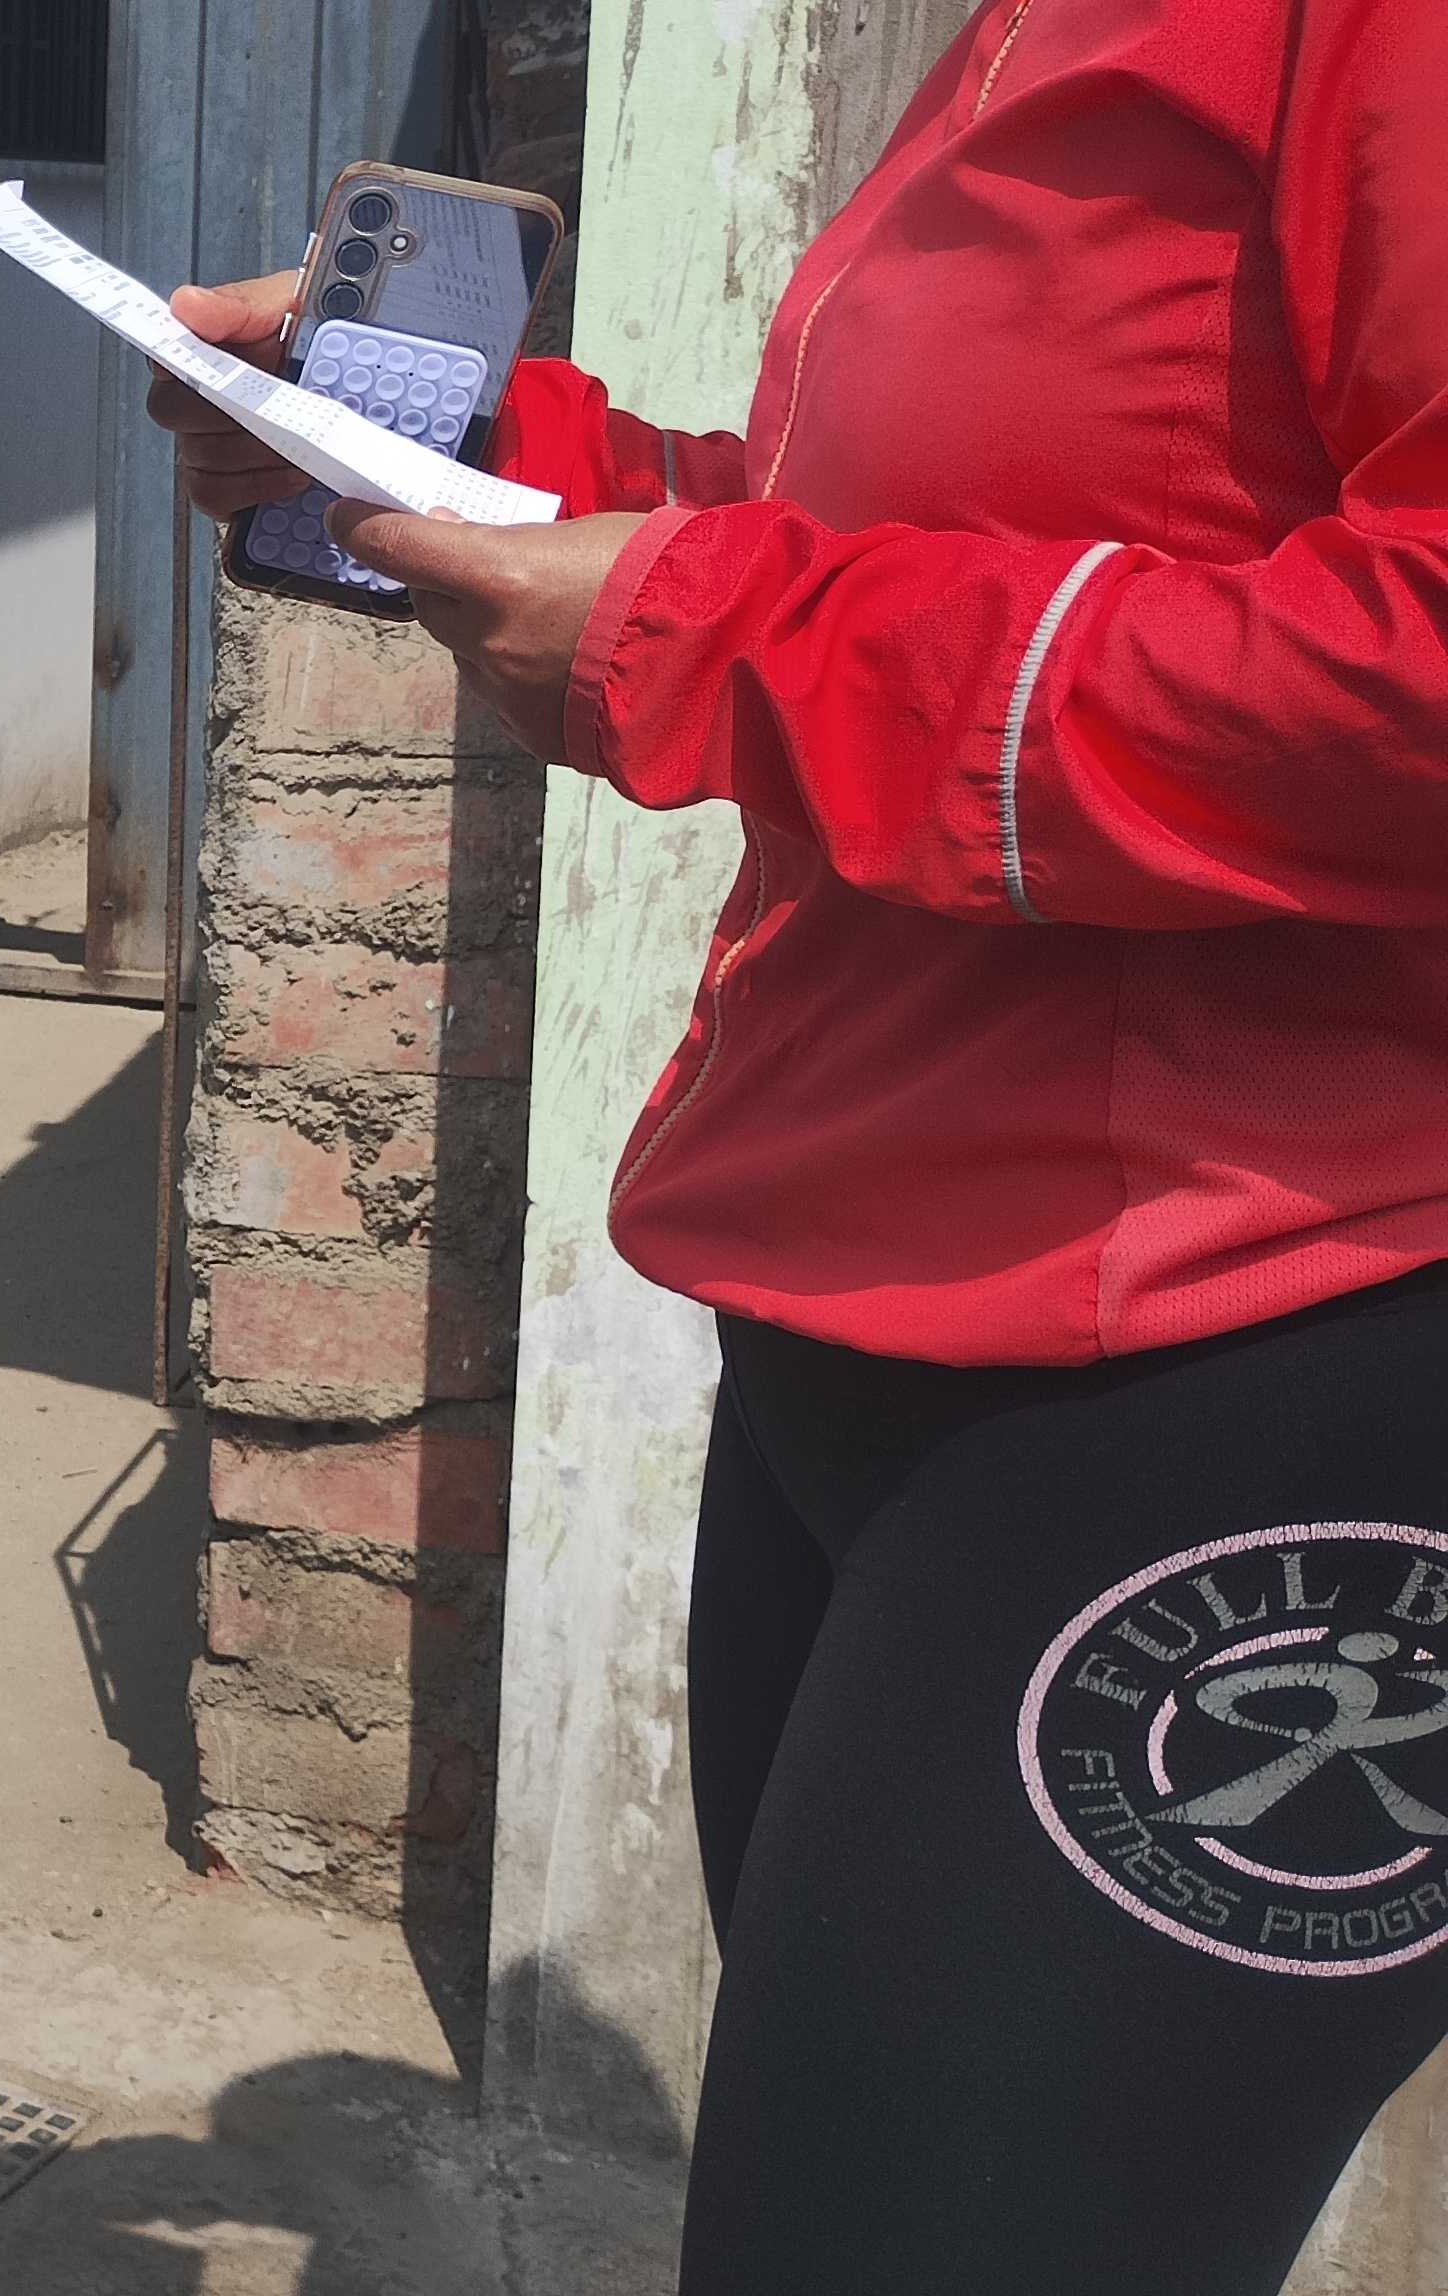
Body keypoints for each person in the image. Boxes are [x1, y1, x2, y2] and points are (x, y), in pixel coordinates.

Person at [151, 3, 1448, 2291]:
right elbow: (916, 530)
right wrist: (486, 460)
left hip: (1243, 1351)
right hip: (876, 1318)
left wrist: (723, 643)